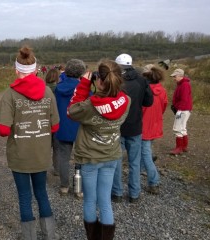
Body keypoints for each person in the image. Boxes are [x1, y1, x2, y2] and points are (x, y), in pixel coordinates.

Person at [0, 46, 60, 240]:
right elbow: (55, 126)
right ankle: (50, 234)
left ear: (16, 70)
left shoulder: (10, 94)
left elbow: (3, 130)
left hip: (20, 155)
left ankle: (29, 236)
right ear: (35, 69)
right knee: (41, 193)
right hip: (40, 153)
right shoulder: (48, 92)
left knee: (24, 196)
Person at [68, 60, 130, 240]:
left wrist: (83, 86)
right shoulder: (126, 100)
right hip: (111, 155)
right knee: (105, 201)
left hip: (90, 157)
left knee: (89, 200)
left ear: (99, 81)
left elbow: (71, 111)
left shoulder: (89, 106)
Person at [112, 53, 153, 203]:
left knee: (116, 160)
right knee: (134, 162)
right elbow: (149, 102)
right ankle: (134, 194)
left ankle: (116, 193)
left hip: (118, 126)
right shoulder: (142, 80)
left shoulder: (115, 80)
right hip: (135, 126)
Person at [54, 59, 85, 197]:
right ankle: (79, 188)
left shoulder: (58, 88)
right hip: (80, 127)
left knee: (63, 158)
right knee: (81, 158)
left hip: (63, 126)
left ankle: (64, 186)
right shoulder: (84, 88)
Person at [141, 64, 168, 194]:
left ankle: (154, 181)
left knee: (145, 153)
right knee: (146, 150)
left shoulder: (144, 89)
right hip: (155, 125)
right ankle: (140, 170)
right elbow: (164, 106)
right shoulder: (161, 90)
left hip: (144, 126)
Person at [169, 68, 192, 155]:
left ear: (180, 76)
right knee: (182, 127)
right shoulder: (182, 84)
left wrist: (180, 110)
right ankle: (184, 146)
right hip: (184, 109)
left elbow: (184, 99)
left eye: (175, 76)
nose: (174, 78)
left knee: (177, 128)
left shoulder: (184, 85)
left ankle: (179, 148)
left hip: (183, 109)